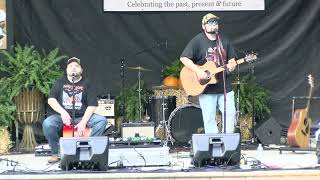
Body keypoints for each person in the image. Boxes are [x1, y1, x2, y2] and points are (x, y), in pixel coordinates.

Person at [180, 13, 237, 134]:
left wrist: (232, 66)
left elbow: (231, 59)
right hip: (206, 89)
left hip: (225, 87)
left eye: (215, 23)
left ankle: (228, 142)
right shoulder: (197, 41)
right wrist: (198, 71)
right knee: (209, 118)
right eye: (210, 23)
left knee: (230, 114)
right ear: (203, 25)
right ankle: (214, 146)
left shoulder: (224, 41)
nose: (213, 25)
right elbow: (184, 58)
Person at [42, 57, 107, 163]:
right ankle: (55, 153)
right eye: (70, 66)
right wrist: (63, 113)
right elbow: (51, 100)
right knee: (48, 123)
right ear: (67, 70)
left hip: (81, 116)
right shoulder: (59, 82)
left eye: (76, 66)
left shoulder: (87, 83)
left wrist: (83, 122)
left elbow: (92, 105)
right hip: (63, 117)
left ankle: (89, 149)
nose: (73, 68)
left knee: (101, 121)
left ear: (81, 70)